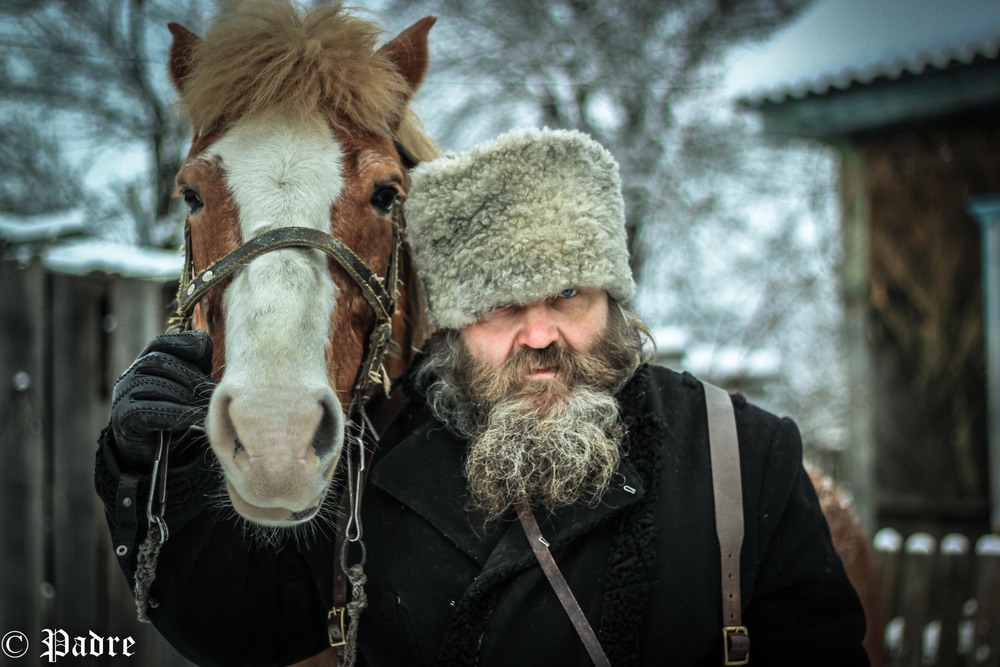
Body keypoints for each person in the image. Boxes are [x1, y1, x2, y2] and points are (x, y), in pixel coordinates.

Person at [97, 128, 870, 666]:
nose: (540, 334)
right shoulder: (373, 470)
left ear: (614, 295)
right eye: (502, 306)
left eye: (568, 293)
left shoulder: (744, 458)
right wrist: (156, 471)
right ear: (457, 323)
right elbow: (236, 627)